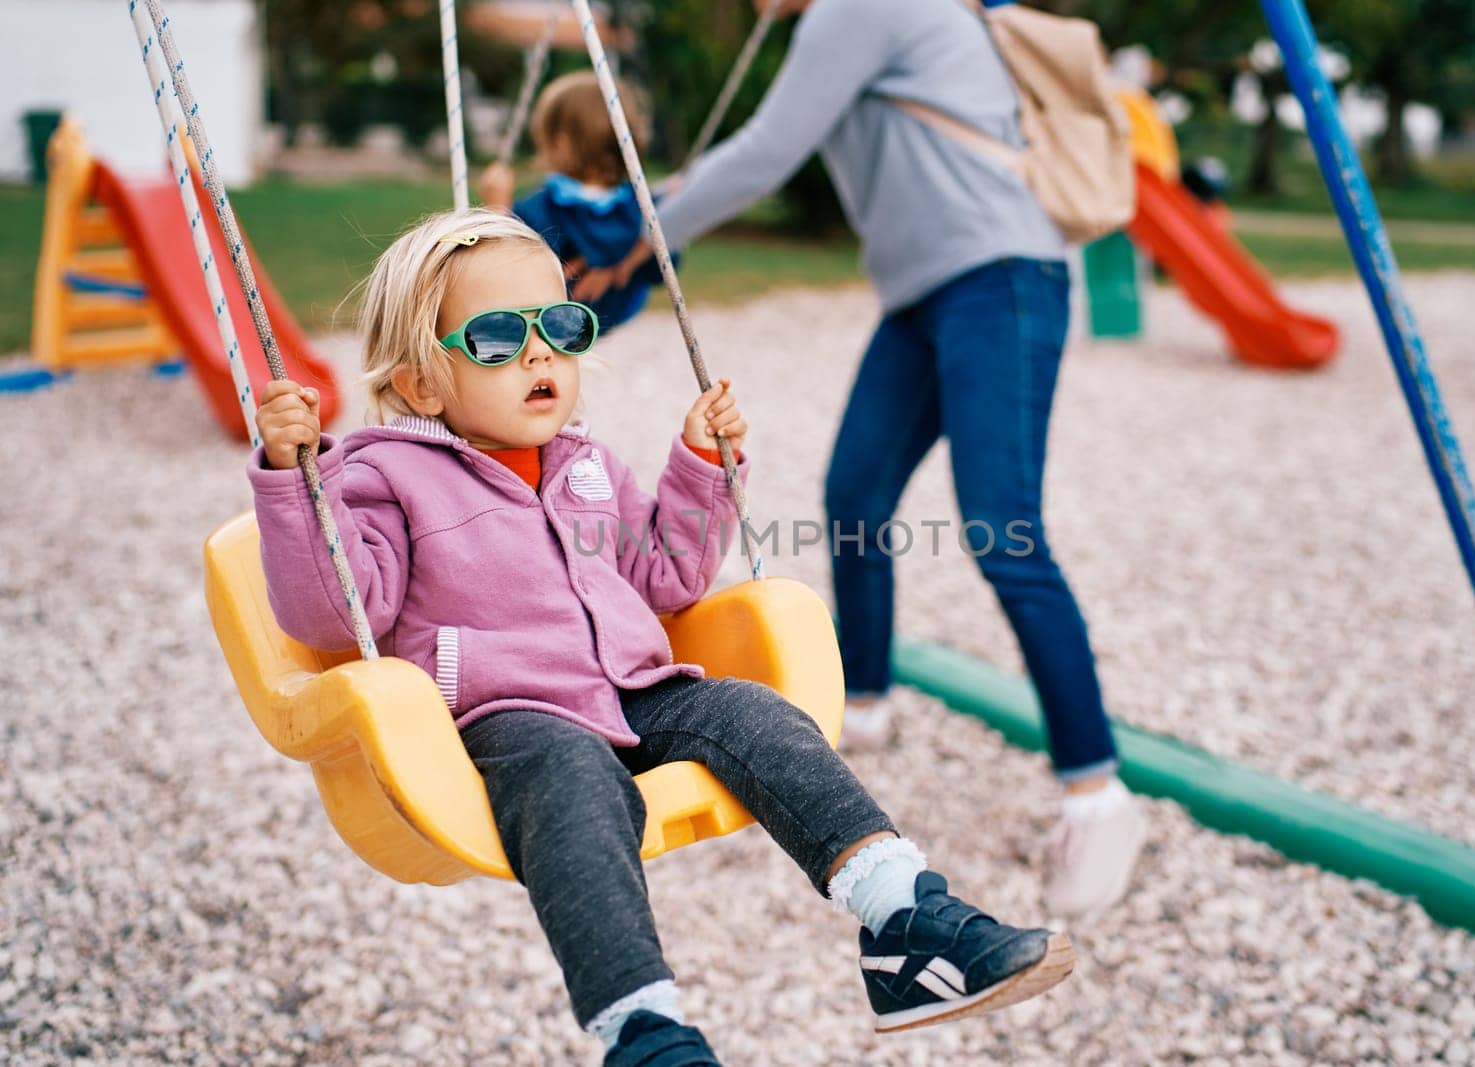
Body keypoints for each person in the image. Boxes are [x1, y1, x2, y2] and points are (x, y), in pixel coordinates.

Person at [248, 208, 1073, 1065]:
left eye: (559, 327)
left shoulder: (588, 463)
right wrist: (296, 482)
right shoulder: (387, 478)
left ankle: (905, 920)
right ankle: (642, 1029)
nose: (540, 355)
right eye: (497, 337)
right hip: (512, 718)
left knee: (754, 711)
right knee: (572, 774)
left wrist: (699, 467)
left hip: (637, 689)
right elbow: (335, 612)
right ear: (422, 383)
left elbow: (666, 578)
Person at [577, 0, 1146, 919]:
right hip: (929, 293)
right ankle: (869, 701)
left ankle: (1100, 792)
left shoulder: (859, 4)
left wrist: (637, 242)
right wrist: (637, 219)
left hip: (998, 277)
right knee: (855, 494)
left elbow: (766, 153)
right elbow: (758, 146)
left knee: (1005, 530)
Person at [479, 72, 665, 334]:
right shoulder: (642, 204)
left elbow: (511, 267)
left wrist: (497, 208)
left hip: (560, 317)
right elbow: (666, 257)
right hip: (621, 304)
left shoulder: (545, 209)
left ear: (561, 144)